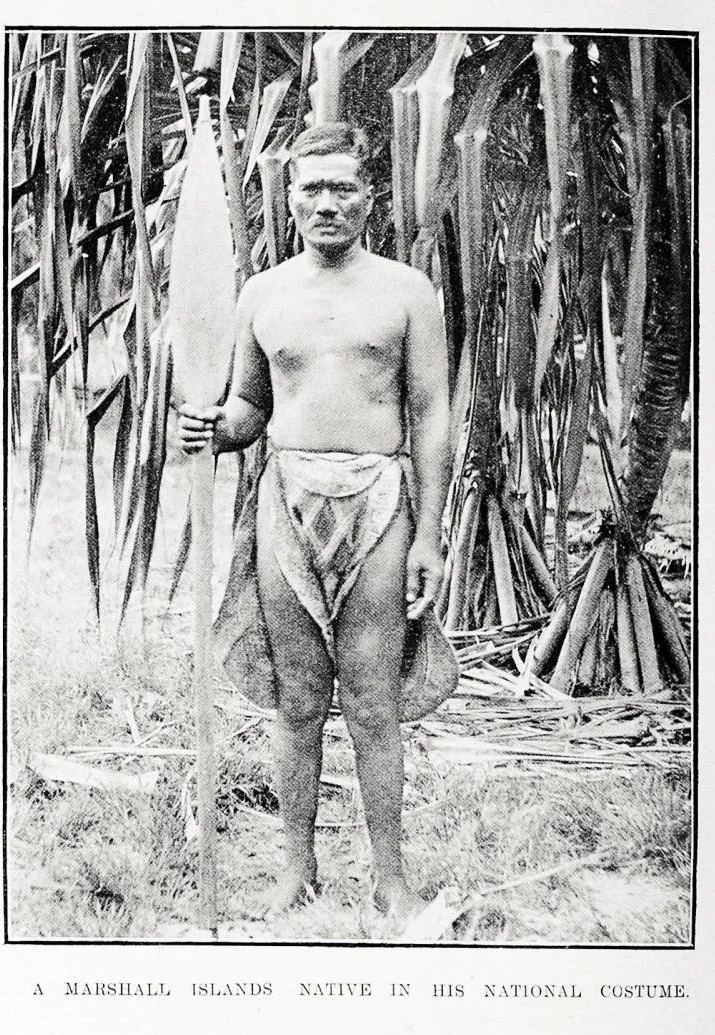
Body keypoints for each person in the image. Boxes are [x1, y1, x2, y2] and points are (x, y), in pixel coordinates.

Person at [178, 123, 456, 922]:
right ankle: (294, 871)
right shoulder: (262, 294)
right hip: (286, 498)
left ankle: (391, 878)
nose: (327, 203)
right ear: (289, 196)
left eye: (344, 188)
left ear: (371, 196)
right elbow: (250, 408)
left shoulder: (407, 291)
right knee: (298, 701)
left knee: (372, 700)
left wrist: (430, 534)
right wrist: (214, 426)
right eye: (312, 189)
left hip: (377, 501)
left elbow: (432, 413)